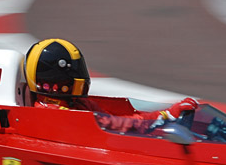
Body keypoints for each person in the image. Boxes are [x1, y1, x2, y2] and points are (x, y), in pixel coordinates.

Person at [24, 38, 198, 134]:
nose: (79, 77)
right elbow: (114, 124)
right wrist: (165, 116)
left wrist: (164, 114)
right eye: (70, 75)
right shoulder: (57, 114)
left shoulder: (77, 103)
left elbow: (126, 116)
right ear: (51, 82)